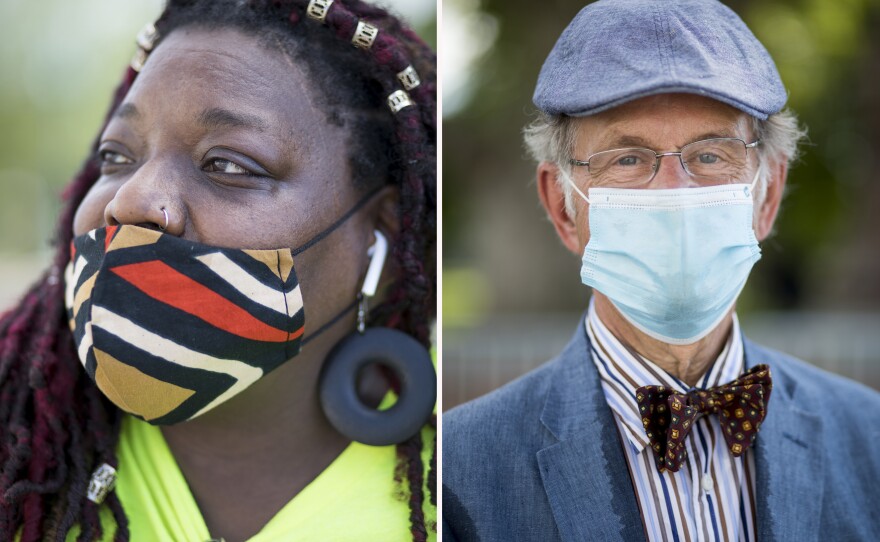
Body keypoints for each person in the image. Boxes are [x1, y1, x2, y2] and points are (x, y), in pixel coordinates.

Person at [442, 1, 880, 540]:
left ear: (766, 197)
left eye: (712, 155)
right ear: (564, 208)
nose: (675, 193)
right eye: (627, 159)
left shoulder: (869, 439)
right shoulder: (457, 469)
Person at [0, 0, 437, 540]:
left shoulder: (456, 478)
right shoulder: (20, 449)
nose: (131, 201)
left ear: (382, 235)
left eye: (228, 164)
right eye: (116, 157)